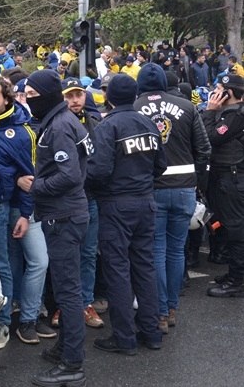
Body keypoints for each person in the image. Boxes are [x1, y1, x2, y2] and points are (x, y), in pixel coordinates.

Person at [86, 74, 167, 354]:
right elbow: (161, 165)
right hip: (145, 202)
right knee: (144, 267)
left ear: (108, 97)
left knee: (118, 271)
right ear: (135, 95)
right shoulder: (148, 123)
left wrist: (94, 189)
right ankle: (151, 332)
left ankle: (124, 337)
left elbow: (98, 171)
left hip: (116, 205)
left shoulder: (108, 126)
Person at [20, 70, 91, 387]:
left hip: (63, 216)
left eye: (32, 96)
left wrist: (35, 186)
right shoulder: (61, 121)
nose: (28, 100)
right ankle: (67, 346)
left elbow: (71, 176)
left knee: (68, 291)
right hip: (66, 213)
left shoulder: (60, 126)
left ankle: (73, 363)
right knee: (67, 288)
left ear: (47, 95)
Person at [134, 63, 210, 333]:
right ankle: (172, 306)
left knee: (156, 252)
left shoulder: (134, 108)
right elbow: (203, 149)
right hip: (184, 188)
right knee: (176, 250)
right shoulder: (187, 107)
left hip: (151, 189)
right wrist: (196, 182)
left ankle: (161, 312)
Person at [0, 76, 53, 346]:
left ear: (7, 99)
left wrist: (24, 213)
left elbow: (29, 178)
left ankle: (7, 322)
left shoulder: (22, 132)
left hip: (7, 208)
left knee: (11, 265)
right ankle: (5, 314)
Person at [62, 78, 104, 329]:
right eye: (69, 96)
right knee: (65, 256)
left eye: (78, 95)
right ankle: (63, 304)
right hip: (64, 201)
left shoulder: (95, 123)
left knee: (88, 254)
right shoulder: (55, 123)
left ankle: (85, 302)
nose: (75, 100)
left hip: (89, 199)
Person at [202, 74, 244, 297]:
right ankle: (235, 274)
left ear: (230, 93)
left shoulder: (234, 116)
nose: (215, 93)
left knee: (235, 229)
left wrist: (209, 111)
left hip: (232, 178)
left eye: (219, 89)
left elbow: (211, 137)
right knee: (229, 227)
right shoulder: (230, 114)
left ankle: (237, 280)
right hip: (226, 177)